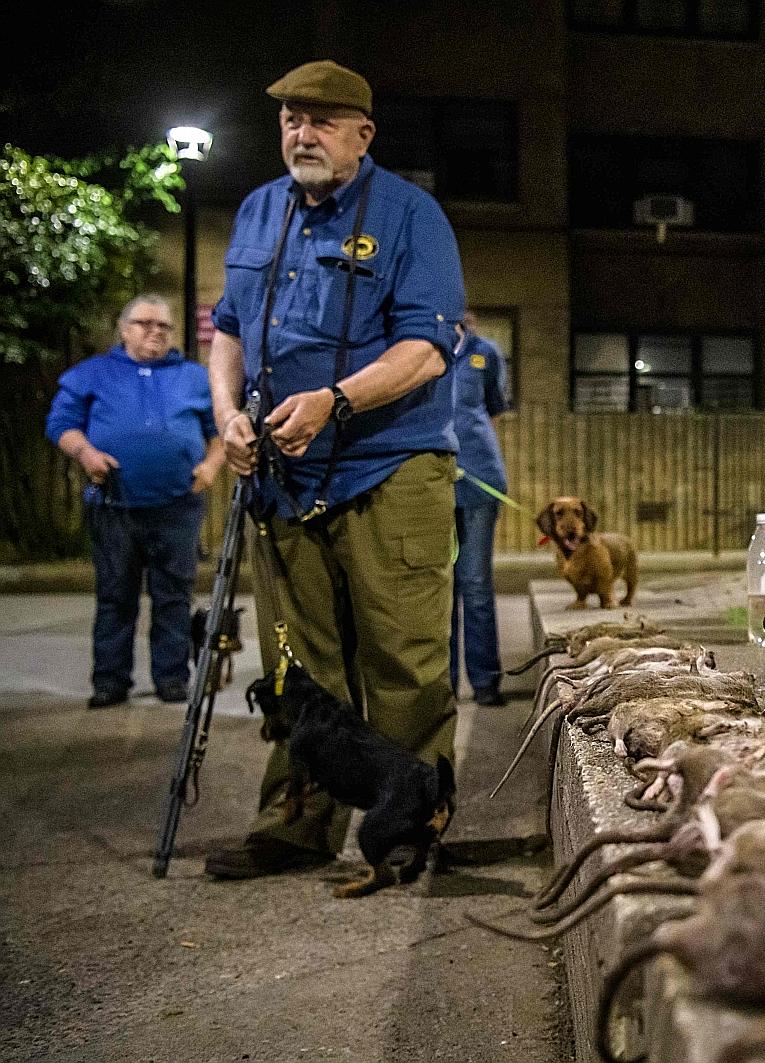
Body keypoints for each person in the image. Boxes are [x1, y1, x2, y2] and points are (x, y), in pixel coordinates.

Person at [203, 60, 466, 879]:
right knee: (297, 665)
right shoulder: (256, 212)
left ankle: (409, 827)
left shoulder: (411, 216)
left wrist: (335, 401)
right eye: (290, 120)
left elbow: (427, 349)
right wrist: (227, 416)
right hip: (282, 475)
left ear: (363, 133)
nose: (302, 134)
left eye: (321, 120)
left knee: (401, 658)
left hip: (389, 467)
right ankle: (295, 821)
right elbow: (228, 332)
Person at [45, 295, 224, 708]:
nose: (154, 332)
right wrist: (87, 454)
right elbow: (60, 423)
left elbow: (219, 429)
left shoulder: (194, 377)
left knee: (174, 595)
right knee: (115, 595)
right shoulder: (91, 374)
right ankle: (110, 681)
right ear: (124, 328)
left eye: (163, 326)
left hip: (177, 504)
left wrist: (212, 466)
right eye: (145, 324)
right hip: (114, 505)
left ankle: (172, 678)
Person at [449, 311, 511, 706]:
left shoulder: (484, 353)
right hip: (432, 486)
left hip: (478, 480)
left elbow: (493, 408)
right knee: (440, 590)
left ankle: (485, 681)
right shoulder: (420, 349)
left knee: (475, 583)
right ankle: (444, 684)